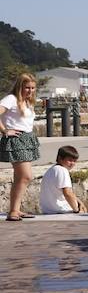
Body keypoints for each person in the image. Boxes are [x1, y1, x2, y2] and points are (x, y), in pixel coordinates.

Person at [1, 73, 39, 221]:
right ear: (20, 86)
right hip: (16, 140)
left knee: (19, 177)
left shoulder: (28, 101)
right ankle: (13, 211)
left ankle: (15, 210)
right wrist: (4, 131)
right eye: (27, 87)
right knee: (26, 176)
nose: (30, 91)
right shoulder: (11, 99)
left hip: (27, 139)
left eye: (33, 88)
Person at [39, 145, 85, 214]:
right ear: (60, 158)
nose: (72, 163)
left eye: (74, 161)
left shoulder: (52, 170)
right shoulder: (62, 170)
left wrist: (80, 202)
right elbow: (67, 193)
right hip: (61, 211)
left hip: (48, 211)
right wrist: (77, 210)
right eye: (70, 160)